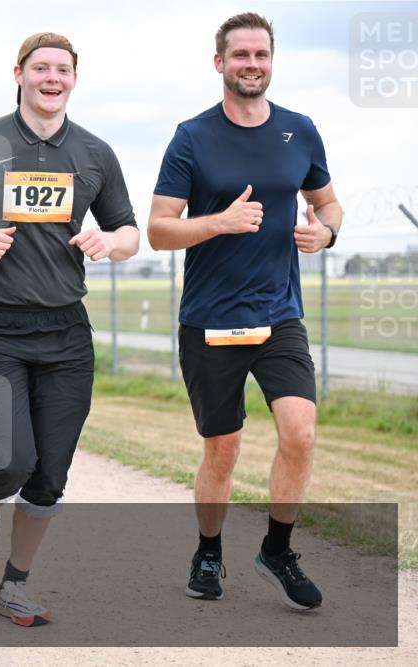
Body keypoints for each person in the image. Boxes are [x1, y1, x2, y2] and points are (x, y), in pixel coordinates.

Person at [0, 32, 140, 626]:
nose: (51, 78)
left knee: (49, 474)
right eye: (40, 67)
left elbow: (129, 232)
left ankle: (15, 585)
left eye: (62, 70)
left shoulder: (94, 153)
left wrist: (108, 242)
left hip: (67, 333)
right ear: (18, 73)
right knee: (9, 460)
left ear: (73, 79)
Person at [148, 13, 340, 611]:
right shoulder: (191, 136)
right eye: (240, 56)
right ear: (220, 63)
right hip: (209, 319)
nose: (251, 64)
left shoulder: (300, 131)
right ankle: (209, 550)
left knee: (300, 433)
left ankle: (278, 549)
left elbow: (328, 203)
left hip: (279, 314)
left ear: (272, 60)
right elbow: (158, 229)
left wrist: (325, 235)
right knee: (222, 450)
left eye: (261, 54)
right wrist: (220, 223)